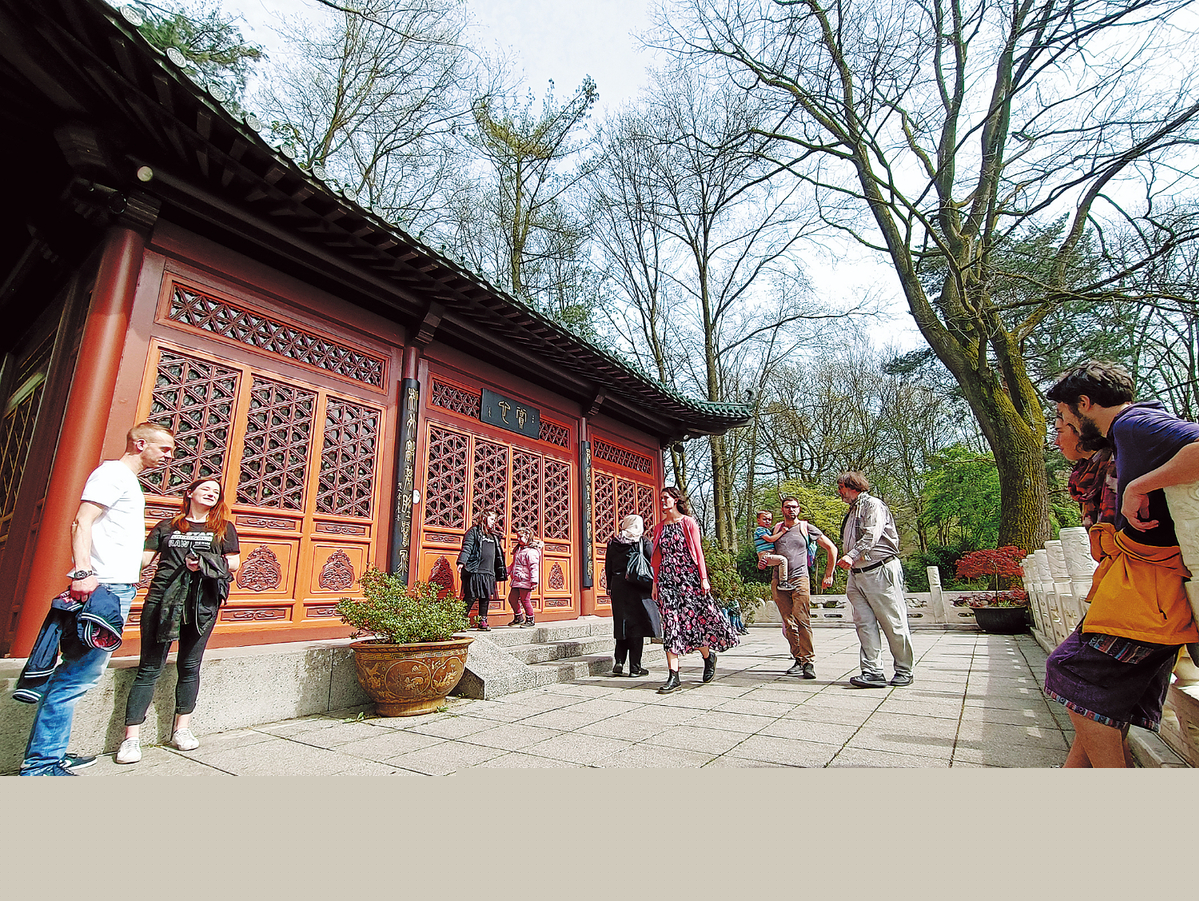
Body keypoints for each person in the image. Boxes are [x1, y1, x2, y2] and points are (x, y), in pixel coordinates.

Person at [1045, 361, 1199, 767]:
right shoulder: (1124, 435)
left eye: (1063, 416)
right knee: (1098, 702)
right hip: (1140, 589)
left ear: (1083, 404)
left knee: (1072, 673)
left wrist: (1141, 485)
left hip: (1149, 591)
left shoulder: (1133, 425)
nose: (1063, 426)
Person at [19, 421, 175, 775]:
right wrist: (83, 572)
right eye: (164, 448)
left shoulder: (129, 481)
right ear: (140, 443)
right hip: (103, 587)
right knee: (78, 676)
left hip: (117, 586)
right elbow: (81, 522)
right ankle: (41, 764)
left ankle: (49, 753)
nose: (169, 456)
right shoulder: (112, 474)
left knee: (77, 673)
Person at [115, 477, 240, 764]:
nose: (211, 494)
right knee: (149, 668)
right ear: (190, 493)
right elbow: (143, 560)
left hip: (202, 603)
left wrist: (204, 563)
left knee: (189, 665)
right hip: (162, 600)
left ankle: (181, 729)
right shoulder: (167, 526)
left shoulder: (223, 528)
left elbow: (233, 563)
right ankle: (131, 738)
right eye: (205, 489)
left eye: (216, 492)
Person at [650, 486, 739, 693]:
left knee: (693, 624)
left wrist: (704, 579)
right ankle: (674, 676)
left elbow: (698, 552)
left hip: (689, 580)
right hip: (666, 582)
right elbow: (657, 559)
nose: (662, 501)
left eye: (666, 498)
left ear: (675, 500)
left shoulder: (688, 523)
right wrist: (655, 583)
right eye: (661, 498)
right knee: (670, 625)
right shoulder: (659, 528)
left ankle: (708, 656)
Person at [836, 472, 914, 688]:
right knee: (864, 624)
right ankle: (872, 671)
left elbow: (872, 534)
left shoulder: (873, 505)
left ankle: (904, 670)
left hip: (880, 570)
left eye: (841, 488)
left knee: (892, 621)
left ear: (852, 486)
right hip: (857, 575)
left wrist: (851, 555)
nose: (839, 492)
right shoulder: (853, 510)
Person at [768, 497, 836, 678]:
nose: (791, 510)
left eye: (794, 507)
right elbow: (766, 551)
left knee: (802, 619)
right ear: (782, 509)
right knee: (788, 622)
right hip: (778, 580)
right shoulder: (776, 529)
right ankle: (798, 658)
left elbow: (831, 548)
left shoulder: (806, 528)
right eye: (787, 507)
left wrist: (828, 574)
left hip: (800, 578)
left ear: (799, 509)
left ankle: (808, 661)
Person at [604, 514, 661, 677]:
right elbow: (654, 562)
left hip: (618, 588)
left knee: (621, 624)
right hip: (638, 586)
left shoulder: (613, 543)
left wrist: (609, 586)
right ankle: (635, 667)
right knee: (637, 627)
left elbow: (608, 566)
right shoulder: (643, 542)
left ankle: (619, 661)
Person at [1052, 414, 1118, 528]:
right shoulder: (1083, 473)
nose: (1056, 442)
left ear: (1080, 429)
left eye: (1060, 431)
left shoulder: (1118, 465)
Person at [457, 507, 507, 631]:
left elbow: (498, 554)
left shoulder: (494, 535)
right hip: (476, 570)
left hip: (489, 571)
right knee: (471, 595)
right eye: (491, 519)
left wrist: (500, 569)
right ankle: (460, 620)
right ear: (484, 518)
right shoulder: (473, 531)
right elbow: (467, 546)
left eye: (494, 519)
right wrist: (462, 562)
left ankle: (482, 621)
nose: (493, 522)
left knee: (485, 597)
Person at [507, 527, 542, 628]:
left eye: (520, 537)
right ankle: (518, 617)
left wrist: (534, 581)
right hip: (517, 579)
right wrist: (506, 572)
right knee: (512, 598)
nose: (518, 539)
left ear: (527, 537)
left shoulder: (531, 552)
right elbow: (513, 565)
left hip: (525, 580)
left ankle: (530, 618)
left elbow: (534, 567)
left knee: (525, 600)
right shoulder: (519, 550)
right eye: (517, 537)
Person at [753, 510, 790, 584]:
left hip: (770, 554)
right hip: (765, 555)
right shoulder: (760, 530)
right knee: (783, 560)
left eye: (769, 519)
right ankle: (783, 582)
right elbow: (770, 539)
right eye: (764, 519)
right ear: (758, 520)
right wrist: (782, 532)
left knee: (781, 561)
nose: (767, 521)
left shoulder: (767, 530)